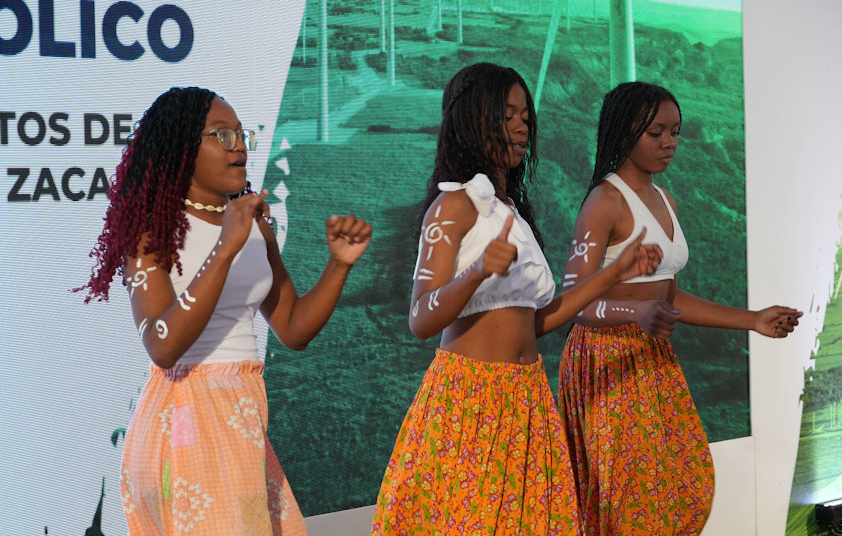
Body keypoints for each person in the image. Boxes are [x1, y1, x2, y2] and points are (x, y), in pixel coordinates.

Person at [370, 63, 663, 536]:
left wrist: (616, 271)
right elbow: (420, 319)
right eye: (507, 115)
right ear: (473, 121)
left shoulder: (510, 213)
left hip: (528, 398)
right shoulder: (453, 205)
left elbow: (540, 320)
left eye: (525, 114)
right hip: (471, 400)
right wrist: (478, 270)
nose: (523, 124)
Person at [78, 86, 372, 536]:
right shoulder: (152, 231)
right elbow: (163, 345)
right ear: (182, 151)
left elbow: (292, 328)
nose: (239, 147)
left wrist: (338, 266)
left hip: (242, 424)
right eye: (221, 135)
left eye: (241, 135)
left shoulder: (254, 224)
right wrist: (225, 247)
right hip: (186, 427)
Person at [557, 81, 802, 535]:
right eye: (656, 133)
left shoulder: (666, 199)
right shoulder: (604, 201)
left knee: (680, 484)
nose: (669, 142)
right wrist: (636, 316)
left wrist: (752, 320)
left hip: (650, 357)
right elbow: (574, 299)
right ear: (624, 132)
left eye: (675, 132)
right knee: (624, 499)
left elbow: (668, 296)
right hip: (606, 360)